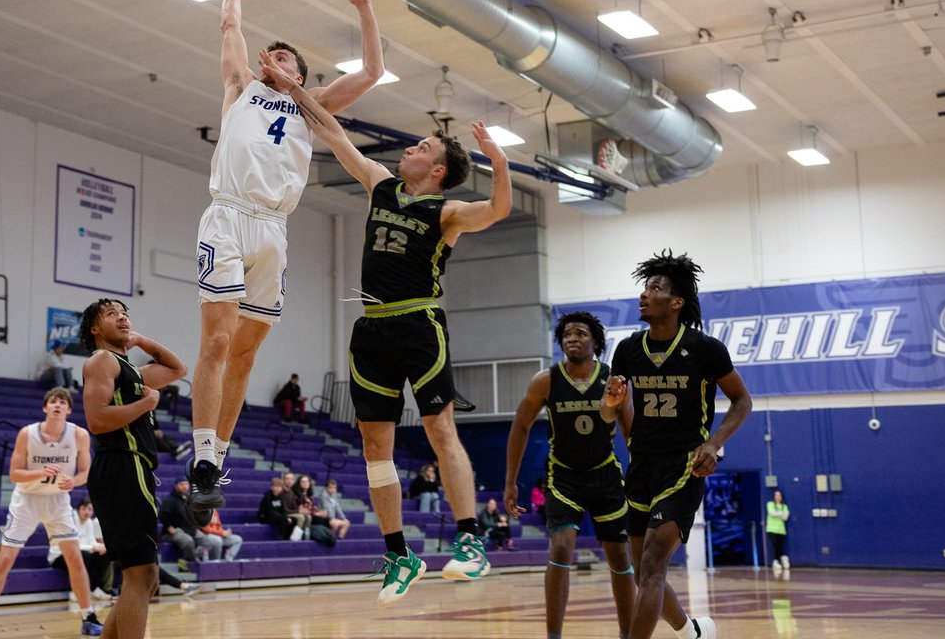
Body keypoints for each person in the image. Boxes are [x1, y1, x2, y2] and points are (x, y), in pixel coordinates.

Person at [260, 50, 513, 605]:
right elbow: (331, 131)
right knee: (374, 444)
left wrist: (498, 161)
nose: (411, 149)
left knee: (440, 429)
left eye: (422, 147)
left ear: (438, 170)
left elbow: (497, 210)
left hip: (419, 323)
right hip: (371, 328)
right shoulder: (379, 184)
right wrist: (292, 87)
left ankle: (471, 542)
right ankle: (400, 554)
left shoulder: (447, 213)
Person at [186, 0, 383, 523]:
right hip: (228, 217)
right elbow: (230, 30)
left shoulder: (309, 104)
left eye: (286, 58)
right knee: (218, 340)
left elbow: (372, 71)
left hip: (274, 229)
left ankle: (216, 463)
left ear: (298, 73)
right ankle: (201, 458)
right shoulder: (240, 86)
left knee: (246, 354)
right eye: (270, 55)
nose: (275, 60)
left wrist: (365, 8)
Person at [602, 250, 754, 639]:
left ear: (676, 302)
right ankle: (692, 632)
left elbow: (742, 401)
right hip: (641, 466)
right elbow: (612, 411)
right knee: (643, 573)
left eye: (655, 288)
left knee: (654, 564)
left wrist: (714, 444)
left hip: (684, 466)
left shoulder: (705, 348)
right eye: (645, 287)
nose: (644, 294)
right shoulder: (628, 350)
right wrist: (612, 406)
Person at [503, 311, 635, 639]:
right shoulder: (545, 381)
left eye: (580, 333)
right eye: (567, 334)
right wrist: (510, 481)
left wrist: (643, 475)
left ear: (596, 342)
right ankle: (554, 636)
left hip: (605, 474)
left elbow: (631, 431)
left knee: (620, 554)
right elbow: (520, 426)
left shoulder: (612, 380)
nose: (572, 338)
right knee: (561, 547)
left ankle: (628, 633)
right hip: (563, 477)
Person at [79, 297, 189, 639]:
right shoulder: (102, 360)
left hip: (132, 468)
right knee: (141, 575)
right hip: (122, 465)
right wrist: (146, 404)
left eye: (125, 314)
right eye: (112, 314)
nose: (122, 318)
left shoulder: (132, 372)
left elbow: (177, 369)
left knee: (145, 578)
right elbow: (97, 420)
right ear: (95, 329)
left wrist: (139, 340)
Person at [0, 387, 102, 639]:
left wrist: (74, 481)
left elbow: (85, 472)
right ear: (45, 407)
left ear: (69, 410)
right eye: (53, 401)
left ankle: (88, 616)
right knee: (5, 559)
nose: (57, 405)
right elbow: (14, 474)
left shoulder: (80, 435)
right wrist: (40, 472)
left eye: (62, 402)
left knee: (75, 557)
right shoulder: (27, 433)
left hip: (58, 500)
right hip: (27, 500)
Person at [48, 497, 113, 602]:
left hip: (79, 553)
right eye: (84, 508)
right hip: (59, 556)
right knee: (84, 555)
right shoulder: (70, 519)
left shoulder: (89, 522)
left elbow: (91, 541)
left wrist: (102, 546)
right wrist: (92, 547)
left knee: (103, 554)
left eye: (90, 509)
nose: (87, 512)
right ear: (79, 509)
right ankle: (76, 591)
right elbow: (72, 545)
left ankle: (93, 588)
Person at [160, 476, 209, 567]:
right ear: (176, 486)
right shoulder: (170, 500)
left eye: (186, 484)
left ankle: (188, 560)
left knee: (207, 542)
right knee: (188, 541)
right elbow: (163, 515)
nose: (184, 487)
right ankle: (192, 563)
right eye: (182, 484)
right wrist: (169, 527)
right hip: (175, 531)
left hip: (190, 529)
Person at [766, 490, 790, 573]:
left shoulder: (784, 506)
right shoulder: (770, 504)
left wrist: (778, 514)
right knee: (776, 545)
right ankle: (782, 558)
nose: (777, 497)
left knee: (779, 546)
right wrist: (780, 514)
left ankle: (777, 560)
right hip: (771, 529)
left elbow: (785, 517)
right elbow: (771, 513)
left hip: (781, 530)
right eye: (776, 495)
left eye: (779, 495)